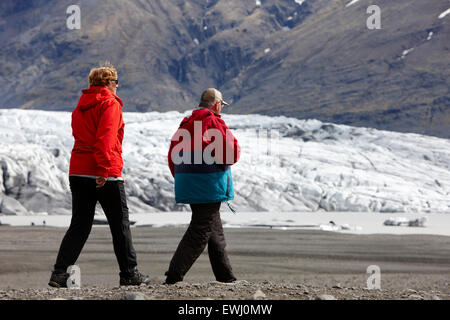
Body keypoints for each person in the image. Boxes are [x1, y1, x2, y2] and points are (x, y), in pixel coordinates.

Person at [49, 64, 149, 288]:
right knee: (119, 224)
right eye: (115, 81)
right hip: (104, 172)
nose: (117, 85)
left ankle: (59, 274)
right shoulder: (109, 103)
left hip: (78, 170)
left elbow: (79, 135)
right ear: (107, 83)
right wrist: (103, 170)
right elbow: (105, 137)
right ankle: (129, 274)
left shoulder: (80, 106)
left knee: (80, 225)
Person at [165, 88, 241, 284]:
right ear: (216, 104)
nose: (221, 109)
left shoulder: (185, 124)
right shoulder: (213, 123)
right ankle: (173, 276)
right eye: (221, 106)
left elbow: (172, 155)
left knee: (214, 231)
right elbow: (231, 153)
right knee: (200, 231)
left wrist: (184, 179)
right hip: (207, 184)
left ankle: (226, 277)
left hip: (189, 182)